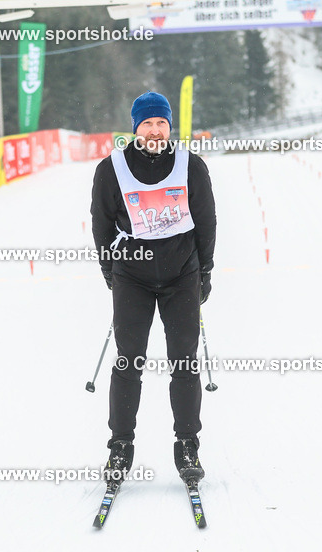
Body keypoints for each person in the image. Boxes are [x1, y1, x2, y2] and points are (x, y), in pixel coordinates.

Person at [90, 91, 217, 486]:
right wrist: (110, 269)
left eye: (161, 123)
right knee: (129, 360)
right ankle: (120, 446)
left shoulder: (190, 165)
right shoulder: (111, 169)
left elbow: (206, 220)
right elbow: (101, 221)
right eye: (147, 123)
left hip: (182, 274)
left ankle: (187, 443)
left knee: (184, 360)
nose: (156, 130)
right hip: (133, 275)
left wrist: (205, 272)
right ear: (135, 128)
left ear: (169, 126)